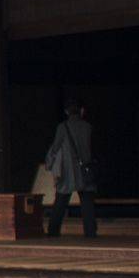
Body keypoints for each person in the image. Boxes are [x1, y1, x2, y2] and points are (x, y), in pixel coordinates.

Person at [44, 100, 98, 239]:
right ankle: (90, 232)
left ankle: (53, 231)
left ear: (67, 112)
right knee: (87, 202)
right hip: (85, 168)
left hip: (68, 170)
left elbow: (56, 147)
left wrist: (50, 163)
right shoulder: (88, 127)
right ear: (82, 111)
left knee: (61, 201)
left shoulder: (63, 127)